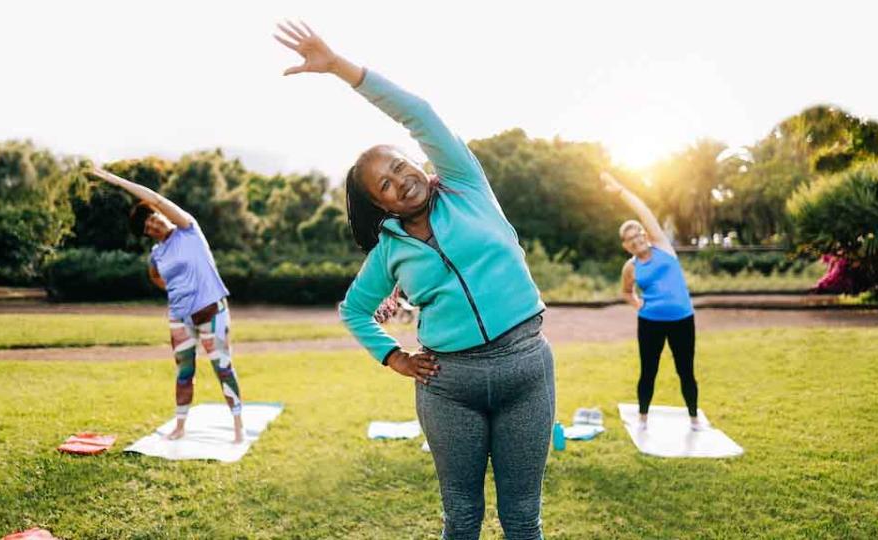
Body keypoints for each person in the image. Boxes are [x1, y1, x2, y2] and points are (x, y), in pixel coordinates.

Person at [274, 20, 555, 539]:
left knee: (522, 518)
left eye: (401, 166)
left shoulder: (465, 185)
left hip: (525, 371)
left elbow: (418, 113)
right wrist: (394, 356)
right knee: (462, 517)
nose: (401, 180)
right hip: (450, 387)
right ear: (378, 204)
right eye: (386, 183)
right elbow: (354, 310)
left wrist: (339, 67)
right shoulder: (388, 253)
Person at [89, 167, 244, 443]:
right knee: (184, 373)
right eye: (147, 229)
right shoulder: (157, 253)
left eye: (151, 218)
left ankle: (238, 426)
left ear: (158, 213)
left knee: (223, 367)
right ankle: (180, 425)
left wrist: (114, 180)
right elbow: (155, 276)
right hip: (179, 319)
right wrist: (174, 289)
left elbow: (155, 198)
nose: (152, 226)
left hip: (211, 312)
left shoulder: (188, 229)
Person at [600, 171, 705, 432]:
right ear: (626, 245)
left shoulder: (662, 246)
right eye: (630, 239)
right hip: (650, 323)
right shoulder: (631, 267)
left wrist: (620, 191)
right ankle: (643, 419)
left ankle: (694, 419)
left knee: (685, 370)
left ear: (645, 235)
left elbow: (643, 210)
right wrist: (638, 305)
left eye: (638, 234)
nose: (637, 240)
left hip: (682, 320)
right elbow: (626, 292)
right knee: (649, 371)